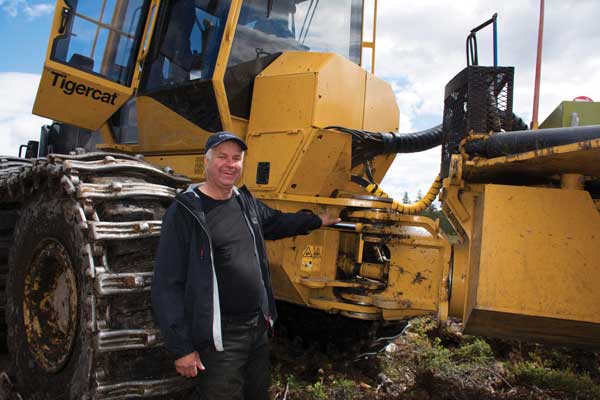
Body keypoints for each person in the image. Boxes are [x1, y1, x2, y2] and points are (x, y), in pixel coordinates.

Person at [152, 131, 340, 400]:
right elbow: (166, 285)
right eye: (222, 157)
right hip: (219, 336)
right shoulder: (185, 213)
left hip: (256, 329)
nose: (230, 164)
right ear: (206, 162)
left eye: (236, 158)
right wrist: (181, 347)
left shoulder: (245, 203)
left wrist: (316, 221)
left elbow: (277, 222)